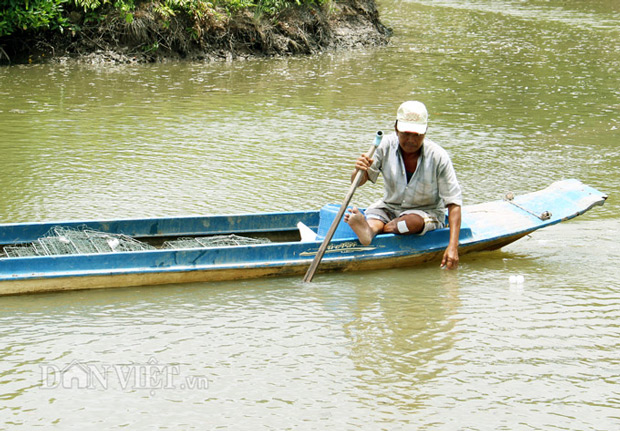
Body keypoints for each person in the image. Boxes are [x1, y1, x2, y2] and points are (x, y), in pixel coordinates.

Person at [344, 101, 462, 269]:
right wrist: (359, 170)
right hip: (389, 206)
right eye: (406, 133)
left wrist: (452, 246)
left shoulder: (438, 157)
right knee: (376, 217)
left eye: (417, 135)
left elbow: (454, 203)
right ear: (396, 128)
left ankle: (381, 229)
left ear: (425, 131)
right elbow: (358, 182)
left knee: (410, 223)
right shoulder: (384, 145)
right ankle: (368, 230)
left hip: (425, 212)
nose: (411, 140)